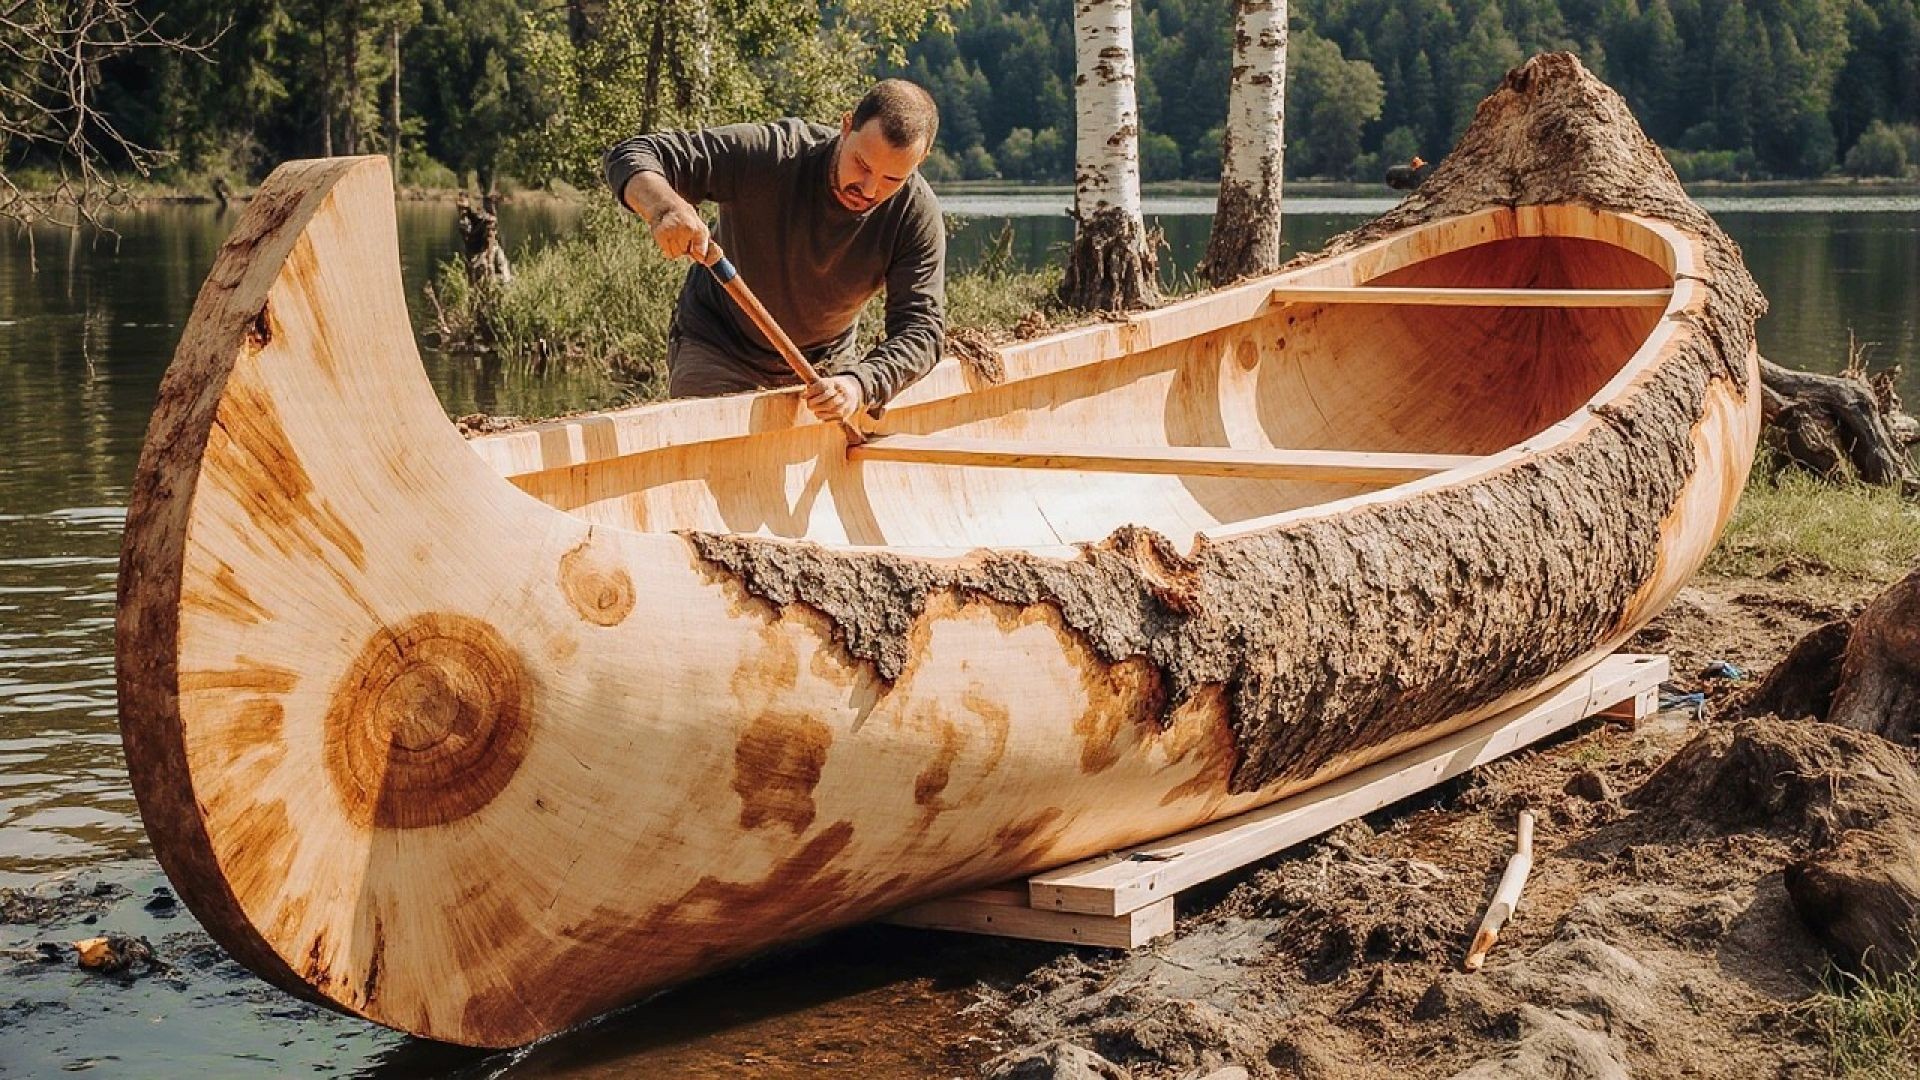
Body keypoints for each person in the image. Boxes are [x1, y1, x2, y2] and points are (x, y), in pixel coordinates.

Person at [603, 80, 946, 424]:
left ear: (920, 161)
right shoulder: (774, 154)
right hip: (718, 344)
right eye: (862, 164)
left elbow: (922, 330)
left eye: (892, 179)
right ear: (846, 125)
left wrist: (859, 384)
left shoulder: (914, 213)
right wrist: (665, 208)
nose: (869, 189)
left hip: (825, 367)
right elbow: (633, 154)